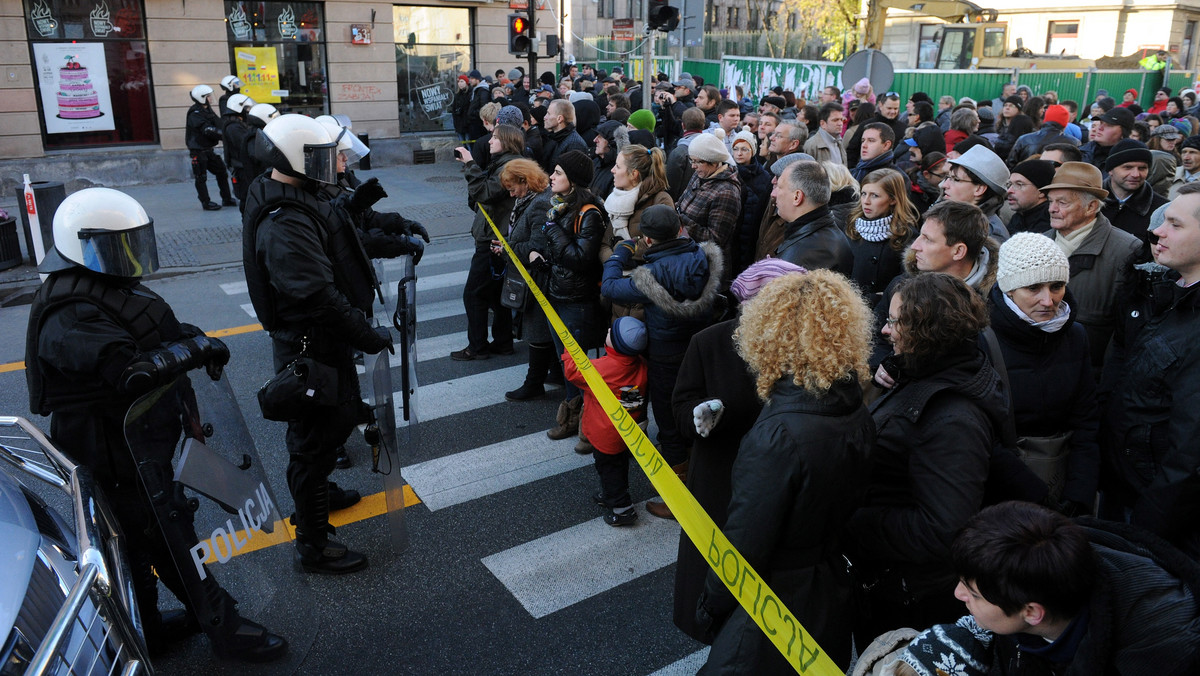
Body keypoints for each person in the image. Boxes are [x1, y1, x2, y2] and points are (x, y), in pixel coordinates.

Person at [27, 187, 288, 661]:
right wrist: (194, 350)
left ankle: (146, 629)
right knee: (164, 540)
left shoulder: (105, 284)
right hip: (108, 450)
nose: (123, 256)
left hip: (139, 446)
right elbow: (127, 368)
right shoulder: (66, 313)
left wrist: (190, 338)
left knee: (137, 544)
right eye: (110, 245)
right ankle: (225, 629)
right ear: (75, 244)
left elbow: (148, 333)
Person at [695, 270, 874, 673]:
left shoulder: (779, 434)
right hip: (828, 588)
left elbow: (745, 542)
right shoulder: (854, 407)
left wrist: (710, 605)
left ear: (770, 333)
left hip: (774, 603)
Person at [242, 114, 387, 575]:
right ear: (296, 160)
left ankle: (322, 496)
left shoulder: (296, 193)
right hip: (311, 344)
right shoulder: (285, 221)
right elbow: (316, 297)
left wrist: (394, 236)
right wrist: (368, 336)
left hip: (324, 340)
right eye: (325, 156)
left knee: (331, 427)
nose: (337, 163)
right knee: (312, 442)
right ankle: (313, 544)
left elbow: (342, 239)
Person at [848, 273, 1007, 641]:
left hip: (913, 596)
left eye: (894, 321)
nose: (886, 331)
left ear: (927, 330)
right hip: (897, 579)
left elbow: (942, 529)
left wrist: (853, 522)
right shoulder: (926, 371)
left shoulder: (953, 419)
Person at [668, 259, 797, 643]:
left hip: (777, 480)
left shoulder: (805, 347)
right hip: (719, 478)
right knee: (713, 572)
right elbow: (680, 405)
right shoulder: (709, 342)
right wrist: (698, 414)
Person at [952, 501, 1200, 674]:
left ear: (1032, 613)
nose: (957, 594)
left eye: (974, 594)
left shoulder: (1167, 653)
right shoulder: (1033, 571)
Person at [601, 205, 723, 520]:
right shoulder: (702, 258)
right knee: (698, 417)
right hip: (701, 353)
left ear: (648, 241)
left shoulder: (651, 276)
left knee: (669, 425)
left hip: (667, 358)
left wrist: (617, 257)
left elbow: (611, 288)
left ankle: (678, 498)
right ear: (679, 229)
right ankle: (706, 481)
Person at [1100, 182, 1200, 557]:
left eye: (1175, 224)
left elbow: (1189, 454)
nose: (1156, 230)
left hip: (1154, 514)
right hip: (1124, 486)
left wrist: (1147, 529)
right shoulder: (1165, 294)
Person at [989, 233, 1100, 512]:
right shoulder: (982, 339)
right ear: (1009, 289)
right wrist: (1030, 491)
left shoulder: (1075, 336)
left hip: (1063, 485)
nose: (1048, 300)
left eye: (1057, 286)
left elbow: (1086, 420)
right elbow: (980, 432)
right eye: (1034, 288)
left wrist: (1079, 493)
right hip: (1001, 494)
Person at [870, 200, 998, 374]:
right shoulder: (902, 285)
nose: (915, 246)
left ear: (958, 251)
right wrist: (884, 365)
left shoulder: (994, 300)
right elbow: (873, 336)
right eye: (920, 235)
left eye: (928, 240)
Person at [539, 150, 610, 440]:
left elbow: (581, 259)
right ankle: (572, 419)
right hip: (559, 294)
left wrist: (553, 231)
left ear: (574, 180)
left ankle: (590, 428)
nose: (551, 177)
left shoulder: (588, 213)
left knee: (579, 367)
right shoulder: (561, 208)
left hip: (577, 302)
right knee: (566, 362)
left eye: (557, 172)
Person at [1042, 161, 1142, 367]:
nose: (1052, 209)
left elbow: (1125, 330)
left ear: (1091, 207)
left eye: (1062, 202)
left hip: (1091, 370)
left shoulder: (1127, 250)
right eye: (1050, 201)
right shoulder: (1038, 242)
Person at [564, 316, 648, 526]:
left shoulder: (604, 369)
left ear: (617, 346)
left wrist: (569, 351)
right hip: (624, 432)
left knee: (608, 469)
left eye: (612, 333)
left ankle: (622, 508)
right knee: (618, 466)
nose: (608, 330)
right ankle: (611, 493)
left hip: (605, 435)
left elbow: (573, 372)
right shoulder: (640, 365)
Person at [451, 124, 524, 361]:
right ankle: (502, 342)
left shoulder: (509, 166)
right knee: (494, 293)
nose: (490, 141)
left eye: (495, 138)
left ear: (507, 142)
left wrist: (470, 164)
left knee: (473, 294)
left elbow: (485, 193)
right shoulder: (505, 163)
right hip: (494, 235)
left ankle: (477, 347)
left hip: (493, 239)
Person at [498, 160, 559, 402]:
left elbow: (536, 247)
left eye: (512, 187)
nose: (510, 192)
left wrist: (507, 248)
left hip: (539, 279)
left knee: (538, 332)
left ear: (525, 180)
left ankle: (534, 383)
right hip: (535, 277)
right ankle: (555, 373)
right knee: (544, 330)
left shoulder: (540, 202)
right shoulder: (530, 199)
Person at [847, 168, 919, 304]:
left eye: (874, 195)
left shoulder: (907, 235)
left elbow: (907, 283)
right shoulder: (852, 227)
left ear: (892, 199)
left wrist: (881, 297)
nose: (866, 201)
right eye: (863, 194)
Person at [771, 160, 854, 275]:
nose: (773, 194)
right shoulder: (826, 233)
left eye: (779, 187)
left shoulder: (804, 257)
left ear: (797, 197)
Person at [676, 133, 743, 267]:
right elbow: (682, 201)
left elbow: (716, 240)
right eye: (691, 160)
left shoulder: (726, 192)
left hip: (706, 267)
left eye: (698, 161)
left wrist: (681, 220)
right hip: (687, 256)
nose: (693, 166)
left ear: (715, 162)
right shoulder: (700, 174)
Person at [1101, 139, 1169, 244]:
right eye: (1128, 167)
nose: (1135, 174)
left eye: (1142, 168)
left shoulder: (1162, 210)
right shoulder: (1090, 201)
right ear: (1110, 170)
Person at [941, 144, 1012, 241]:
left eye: (956, 180)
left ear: (979, 189)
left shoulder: (989, 235)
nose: (944, 185)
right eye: (948, 178)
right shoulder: (950, 215)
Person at [185, 84, 236, 211]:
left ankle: (226, 198)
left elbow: (219, 123)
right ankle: (206, 202)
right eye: (208, 96)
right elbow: (207, 130)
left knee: (221, 172)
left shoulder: (207, 110)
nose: (211, 98)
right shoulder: (195, 113)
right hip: (198, 150)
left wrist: (230, 128)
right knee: (201, 177)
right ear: (201, 98)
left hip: (208, 149)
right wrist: (225, 136)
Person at [732, 130, 773, 274]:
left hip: (753, 233)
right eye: (735, 149)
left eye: (744, 149)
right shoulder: (729, 173)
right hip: (734, 235)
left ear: (753, 151)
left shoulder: (764, 176)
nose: (739, 153)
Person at [1007, 104, 1077, 167]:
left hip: (1026, 179)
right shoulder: (1073, 142)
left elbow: (1010, 165)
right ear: (1065, 125)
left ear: (1045, 119)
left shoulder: (1024, 139)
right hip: (1056, 180)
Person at [221, 93, 255, 210]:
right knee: (246, 199)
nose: (248, 111)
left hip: (243, 167)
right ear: (238, 108)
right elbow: (245, 144)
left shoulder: (238, 125)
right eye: (246, 108)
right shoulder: (233, 127)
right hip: (240, 168)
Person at [1005, 159, 1055, 234]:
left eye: (1019, 184)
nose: (1009, 191)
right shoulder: (1019, 216)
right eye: (1009, 184)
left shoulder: (1050, 222)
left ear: (1041, 191)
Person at [540, 99, 588, 176]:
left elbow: (571, 177)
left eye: (548, 114)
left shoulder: (574, 144)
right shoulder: (555, 138)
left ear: (559, 119)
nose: (545, 117)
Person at [1081, 106, 1133, 173]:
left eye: (1109, 125)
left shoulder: (1129, 161)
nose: (1100, 128)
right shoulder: (1081, 152)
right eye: (1101, 123)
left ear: (1123, 132)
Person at [590, 119, 627, 200]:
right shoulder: (595, 162)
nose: (595, 140)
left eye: (600, 137)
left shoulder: (618, 171)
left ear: (612, 142)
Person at [465, 69, 491, 142]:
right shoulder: (475, 90)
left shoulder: (483, 91)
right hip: (474, 123)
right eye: (470, 78)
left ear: (478, 79)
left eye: (472, 78)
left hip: (478, 124)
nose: (470, 80)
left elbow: (484, 107)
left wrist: (473, 113)